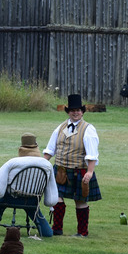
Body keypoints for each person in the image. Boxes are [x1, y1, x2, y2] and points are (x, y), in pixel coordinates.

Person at [44, 94, 101, 237]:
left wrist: (90, 172)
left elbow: (92, 154)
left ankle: (82, 232)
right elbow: (51, 149)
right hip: (61, 170)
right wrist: (41, 164)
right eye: (72, 110)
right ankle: (57, 229)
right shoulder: (60, 128)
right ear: (68, 112)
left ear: (82, 112)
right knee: (56, 197)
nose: (76, 113)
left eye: (78, 110)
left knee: (80, 201)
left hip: (79, 171)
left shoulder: (88, 129)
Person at [0, 133, 57, 237]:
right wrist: (50, 202)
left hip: (11, 198)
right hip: (32, 200)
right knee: (34, 211)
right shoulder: (46, 164)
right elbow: (51, 189)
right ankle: (46, 232)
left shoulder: (13, 163)